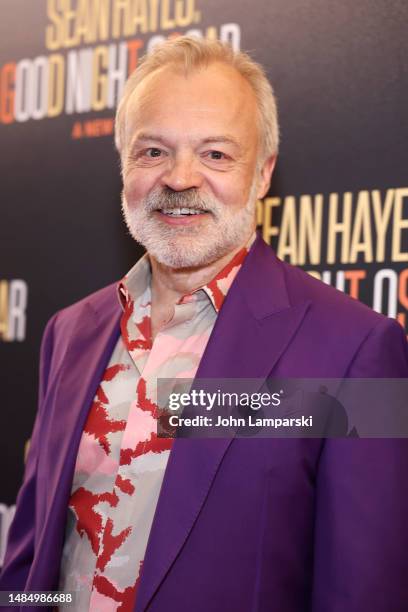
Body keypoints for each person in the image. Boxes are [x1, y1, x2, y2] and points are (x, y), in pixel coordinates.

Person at [1, 36, 408, 612]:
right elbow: (30, 562)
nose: (180, 178)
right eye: (153, 152)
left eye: (216, 154)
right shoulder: (69, 332)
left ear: (262, 173)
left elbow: (364, 593)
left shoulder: (358, 350)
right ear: (123, 162)